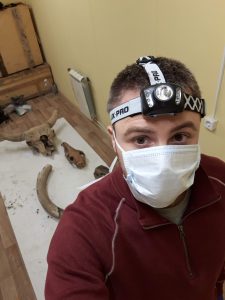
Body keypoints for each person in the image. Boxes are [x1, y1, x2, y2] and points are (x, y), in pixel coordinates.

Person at [45, 56, 225, 300]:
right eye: (141, 139)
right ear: (114, 139)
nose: (163, 162)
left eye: (180, 136)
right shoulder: (83, 230)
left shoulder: (220, 180)